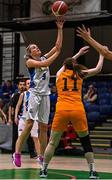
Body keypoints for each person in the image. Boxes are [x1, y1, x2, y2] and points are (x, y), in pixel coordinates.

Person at [40, 46, 104, 179]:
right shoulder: (80, 74)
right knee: (85, 141)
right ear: (74, 66)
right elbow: (98, 69)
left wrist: (78, 54)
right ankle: (92, 172)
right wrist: (102, 54)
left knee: (52, 142)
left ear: (64, 66)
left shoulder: (59, 74)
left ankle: (43, 170)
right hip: (77, 109)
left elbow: (66, 64)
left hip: (61, 109)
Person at [13, 17, 64, 167]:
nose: (37, 48)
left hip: (45, 95)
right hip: (34, 95)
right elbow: (46, 63)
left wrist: (60, 28)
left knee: (43, 128)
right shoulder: (30, 62)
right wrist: (58, 53)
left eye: (36, 46)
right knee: (29, 124)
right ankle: (17, 153)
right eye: (33, 48)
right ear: (29, 53)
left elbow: (57, 46)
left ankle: (41, 156)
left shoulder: (42, 56)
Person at [14, 79, 40, 166]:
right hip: (24, 118)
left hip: (34, 118)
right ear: (26, 86)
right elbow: (18, 106)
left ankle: (40, 157)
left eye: (30, 83)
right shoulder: (23, 94)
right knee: (21, 137)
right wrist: (15, 116)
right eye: (27, 84)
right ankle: (17, 154)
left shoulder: (37, 94)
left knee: (35, 138)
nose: (29, 85)